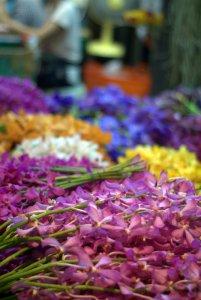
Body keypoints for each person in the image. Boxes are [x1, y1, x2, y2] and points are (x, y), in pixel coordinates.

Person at [0, 0, 89, 88]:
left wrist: (6, 20)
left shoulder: (66, 9)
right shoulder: (50, 7)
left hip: (63, 72)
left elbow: (39, 35)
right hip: (50, 67)